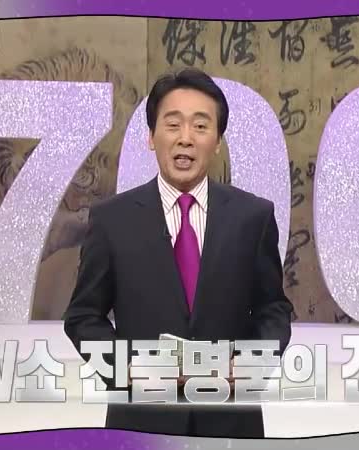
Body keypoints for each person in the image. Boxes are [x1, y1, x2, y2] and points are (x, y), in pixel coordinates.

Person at [63, 68, 294, 438]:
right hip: (142, 422)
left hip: (230, 421)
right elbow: (82, 316)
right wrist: (125, 369)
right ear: (151, 136)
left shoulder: (253, 217)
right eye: (173, 125)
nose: (185, 138)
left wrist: (252, 364)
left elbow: (273, 309)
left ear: (217, 141)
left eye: (200, 126)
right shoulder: (112, 220)